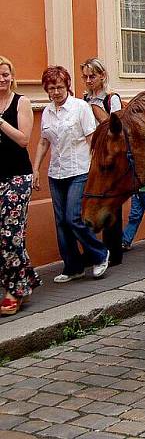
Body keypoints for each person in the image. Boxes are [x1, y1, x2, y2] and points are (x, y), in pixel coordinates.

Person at [33, 66, 109, 283]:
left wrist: (97, 168)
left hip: (80, 169)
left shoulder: (80, 107)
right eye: (51, 88)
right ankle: (72, 266)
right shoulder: (48, 111)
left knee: (73, 217)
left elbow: (91, 139)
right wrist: (36, 169)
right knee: (61, 223)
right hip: (57, 172)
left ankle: (100, 254)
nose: (55, 92)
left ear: (67, 86)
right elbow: (43, 141)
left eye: (59, 87)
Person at [0, 56, 40, 315]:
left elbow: (24, 139)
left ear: (12, 76)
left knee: (10, 236)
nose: (2, 79)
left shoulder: (21, 102)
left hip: (17, 177)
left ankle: (14, 290)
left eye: (5, 74)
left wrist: (0, 122)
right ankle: (27, 280)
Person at [80, 58, 124, 266]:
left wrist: (95, 108)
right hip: (91, 154)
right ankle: (94, 250)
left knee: (111, 203)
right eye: (86, 77)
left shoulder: (110, 98)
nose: (89, 81)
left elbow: (113, 126)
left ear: (102, 76)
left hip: (109, 155)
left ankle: (114, 250)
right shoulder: (83, 99)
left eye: (92, 76)